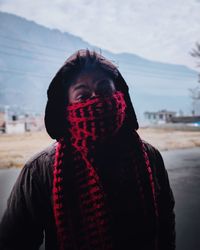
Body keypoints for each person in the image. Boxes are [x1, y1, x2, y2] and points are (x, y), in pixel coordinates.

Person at [0, 49, 175, 250]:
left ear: (119, 95)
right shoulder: (40, 170)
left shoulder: (150, 157)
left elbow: (165, 224)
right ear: (66, 107)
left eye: (104, 90)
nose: (96, 100)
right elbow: (14, 241)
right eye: (82, 96)